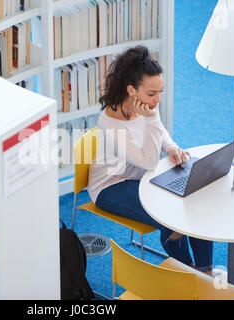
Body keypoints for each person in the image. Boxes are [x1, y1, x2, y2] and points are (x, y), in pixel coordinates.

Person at [87, 46, 213, 275]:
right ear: (131, 90)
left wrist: (172, 147)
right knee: (169, 219)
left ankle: (205, 271)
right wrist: (152, 117)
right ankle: (190, 274)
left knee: (193, 198)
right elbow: (149, 161)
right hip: (111, 185)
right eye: (152, 94)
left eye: (160, 92)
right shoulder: (112, 124)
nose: (157, 100)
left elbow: (159, 133)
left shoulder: (142, 106)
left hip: (141, 178)